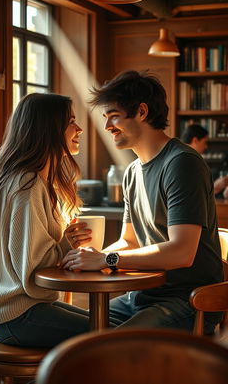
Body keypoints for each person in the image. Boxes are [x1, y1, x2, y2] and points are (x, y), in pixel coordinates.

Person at [62, 70, 224, 335]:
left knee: (103, 347)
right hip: (141, 296)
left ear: (142, 111)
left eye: (113, 115)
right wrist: (91, 257)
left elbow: (182, 252)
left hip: (188, 302)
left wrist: (106, 259)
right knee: (76, 334)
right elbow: (130, 241)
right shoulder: (132, 172)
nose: (107, 126)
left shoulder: (182, 163)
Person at [0, 93, 119, 348]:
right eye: (71, 122)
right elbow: (32, 270)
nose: (80, 129)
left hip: (25, 310)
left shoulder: (33, 181)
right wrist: (66, 245)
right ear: (48, 129)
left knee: (115, 328)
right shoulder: (27, 186)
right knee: (115, 338)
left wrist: (68, 243)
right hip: (19, 316)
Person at [181, 123, 228, 198]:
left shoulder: (188, 158)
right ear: (195, 140)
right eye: (204, 142)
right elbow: (189, 193)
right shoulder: (183, 160)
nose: (206, 146)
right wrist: (214, 188)